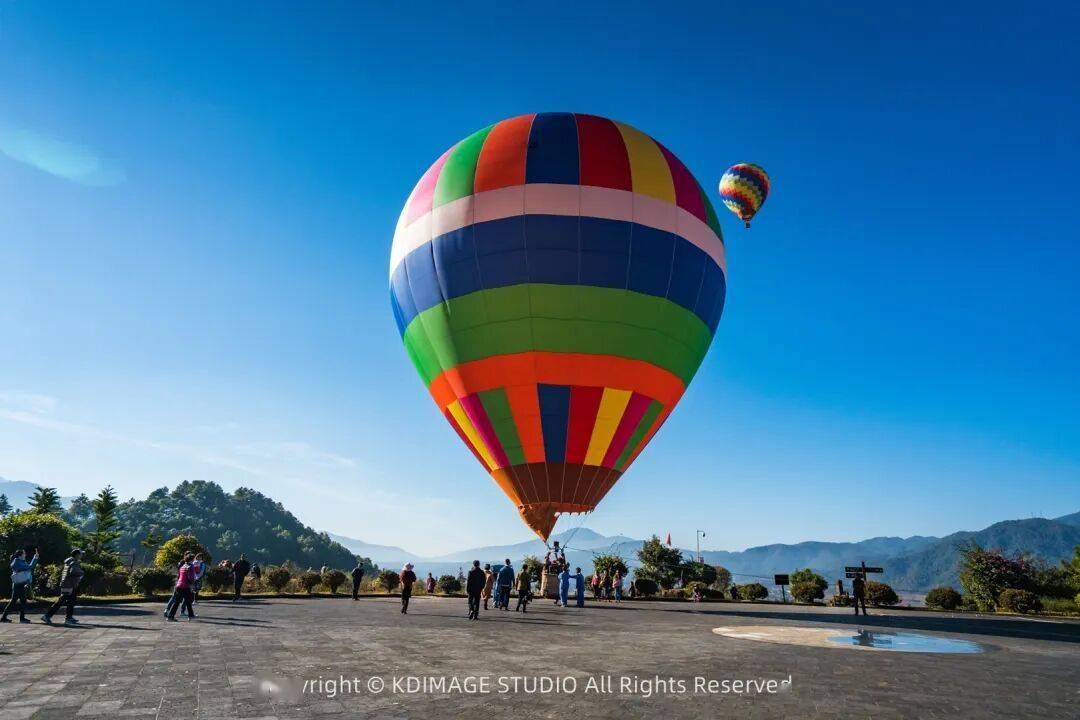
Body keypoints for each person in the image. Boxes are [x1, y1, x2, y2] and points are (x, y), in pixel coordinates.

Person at [42, 549, 84, 624]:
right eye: (81, 554)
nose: (81, 555)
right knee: (61, 601)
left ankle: (69, 617)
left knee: (70, 601)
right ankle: (47, 616)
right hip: (69, 584)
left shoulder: (69, 562)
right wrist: (81, 572)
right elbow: (73, 571)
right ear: (77, 555)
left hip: (67, 584)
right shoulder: (74, 562)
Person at [2, 548, 39, 623]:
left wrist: (35, 558)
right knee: (18, 601)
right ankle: (20, 618)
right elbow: (29, 567)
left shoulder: (21, 561)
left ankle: (5, 618)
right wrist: (35, 558)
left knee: (19, 601)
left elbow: (29, 568)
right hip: (18, 585)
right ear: (20, 555)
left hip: (21, 584)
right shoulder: (17, 562)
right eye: (24, 553)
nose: (25, 555)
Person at [166, 553, 198, 621]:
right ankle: (191, 616)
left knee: (177, 602)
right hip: (186, 586)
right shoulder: (191, 566)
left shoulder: (183, 566)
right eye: (193, 559)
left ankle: (170, 616)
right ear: (191, 560)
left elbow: (180, 576)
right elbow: (191, 578)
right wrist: (192, 585)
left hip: (179, 586)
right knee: (188, 601)